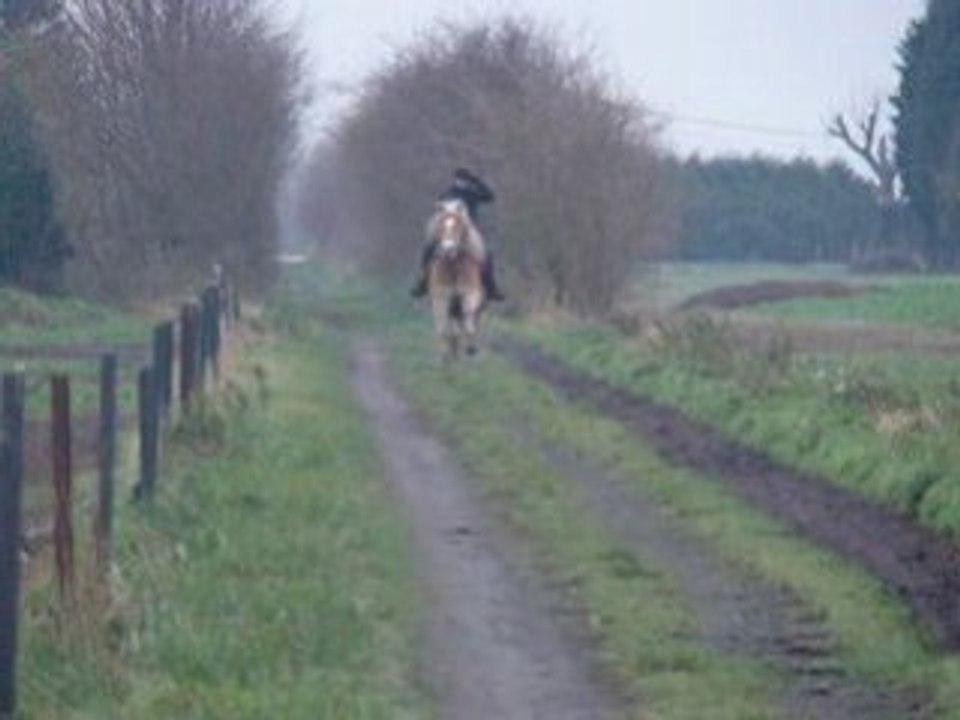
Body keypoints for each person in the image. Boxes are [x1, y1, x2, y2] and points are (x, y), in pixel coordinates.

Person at [410, 168, 506, 301]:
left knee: (486, 255)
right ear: (455, 180)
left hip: (469, 232)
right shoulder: (447, 194)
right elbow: (439, 212)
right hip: (448, 232)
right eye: (460, 180)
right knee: (428, 250)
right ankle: (423, 282)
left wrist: (477, 181)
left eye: (465, 180)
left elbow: (490, 197)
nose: (462, 183)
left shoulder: (472, 194)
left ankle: (491, 288)